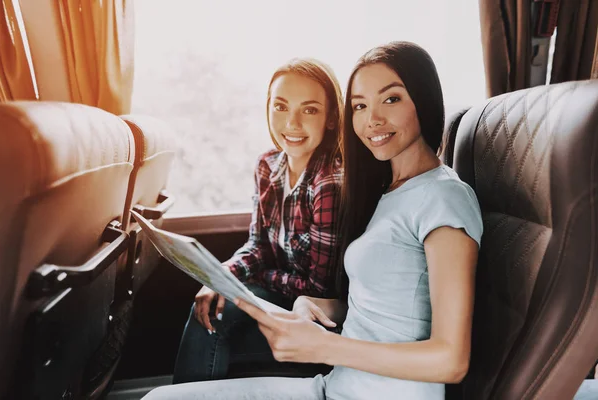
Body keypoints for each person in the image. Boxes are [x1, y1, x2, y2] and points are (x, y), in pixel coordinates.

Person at [147, 41, 483, 399]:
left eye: (391, 99)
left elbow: (452, 360)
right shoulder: (387, 192)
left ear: (424, 99)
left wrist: (324, 348)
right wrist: (314, 305)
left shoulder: (444, 197)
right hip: (336, 386)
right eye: (360, 105)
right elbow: (377, 309)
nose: (373, 119)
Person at [171, 58, 345, 384]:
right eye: (281, 106)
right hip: (275, 296)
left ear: (332, 118)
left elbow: (320, 288)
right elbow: (257, 246)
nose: (291, 123)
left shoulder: (330, 184)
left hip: (312, 313)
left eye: (309, 110)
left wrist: (252, 283)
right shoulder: (268, 165)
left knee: (217, 327)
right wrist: (221, 277)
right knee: (210, 310)